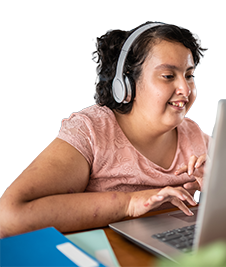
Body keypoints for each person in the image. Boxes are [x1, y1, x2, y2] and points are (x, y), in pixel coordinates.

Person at [0, 23, 209, 238]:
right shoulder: (91, 132)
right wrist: (129, 204)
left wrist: (222, 185)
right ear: (126, 84)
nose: (185, 89)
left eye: (189, 75)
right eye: (168, 75)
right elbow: (10, 216)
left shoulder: (194, 136)